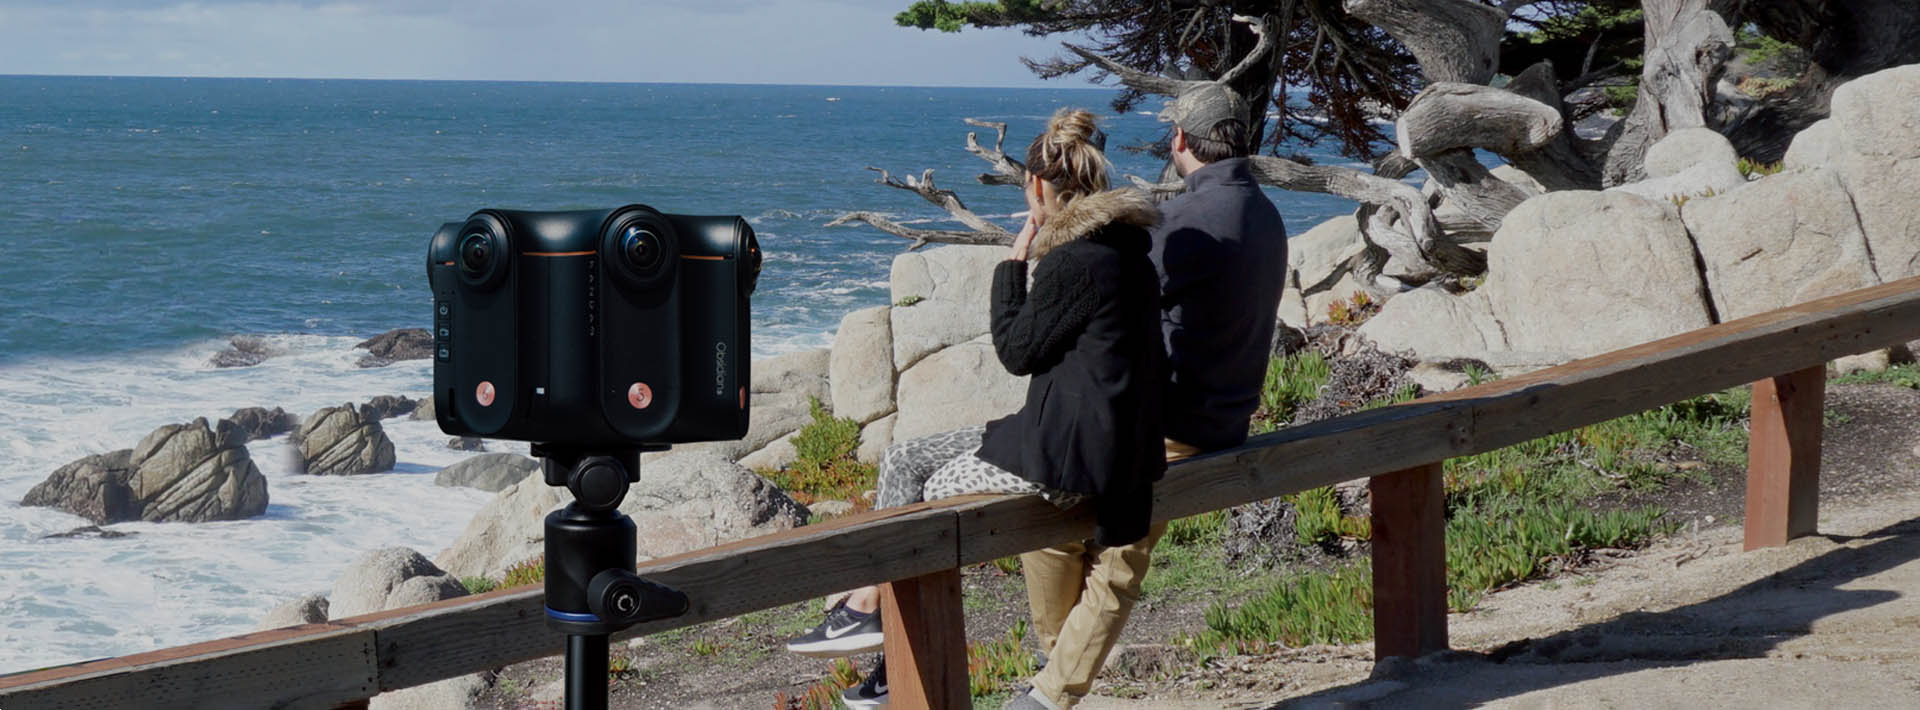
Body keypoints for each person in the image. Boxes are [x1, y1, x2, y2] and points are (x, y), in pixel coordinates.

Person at [782, 108, 1168, 710]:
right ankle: (873, 613)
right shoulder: (1124, 250)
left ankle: (894, 650)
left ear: (1036, 186)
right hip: (1084, 436)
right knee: (904, 457)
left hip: (1070, 456)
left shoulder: (1075, 260)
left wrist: (1013, 265)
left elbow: (1017, 352)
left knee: (936, 493)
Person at [1007, 82, 1286, 710]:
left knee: (1093, 542)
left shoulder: (1184, 221)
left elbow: (1102, 313)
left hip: (1169, 424)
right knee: (1071, 531)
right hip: (1230, 413)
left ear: (1180, 139)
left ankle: (1049, 688)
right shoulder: (1265, 212)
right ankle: (1053, 674)